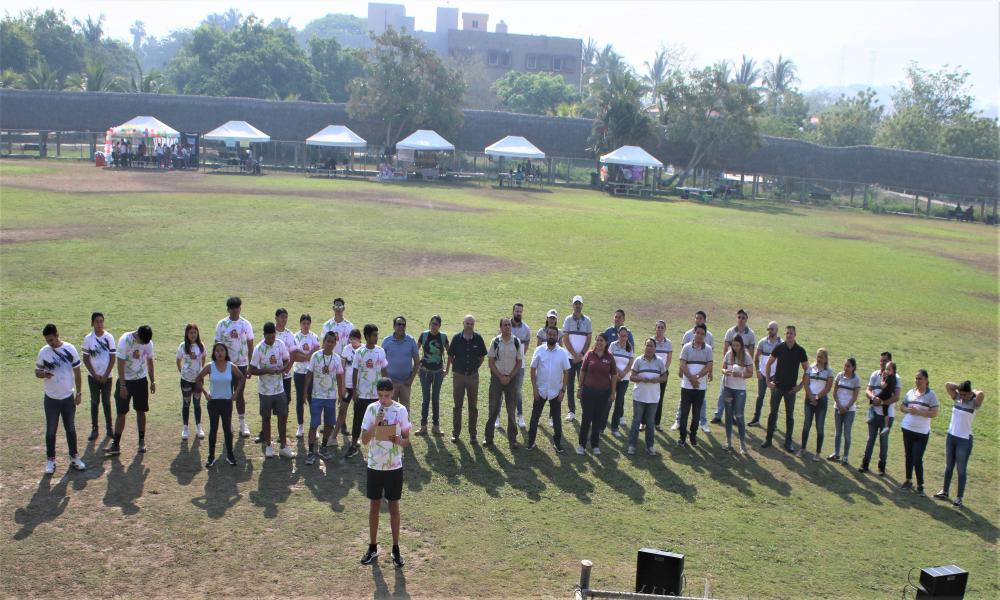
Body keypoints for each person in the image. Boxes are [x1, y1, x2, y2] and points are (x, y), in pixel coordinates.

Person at [359, 378, 411, 568]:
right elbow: (364, 440)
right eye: (380, 396)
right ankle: (373, 547)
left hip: (394, 467)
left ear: (392, 393)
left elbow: (407, 441)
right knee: (374, 506)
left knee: (394, 508)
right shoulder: (371, 409)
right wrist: (376, 424)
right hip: (374, 466)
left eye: (387, 396)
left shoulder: (401, 410)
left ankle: (396, 548)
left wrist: (398, 440)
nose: (383, 399)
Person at [35, 324, 87, 474]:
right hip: (51, 398)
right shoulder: (43, 352)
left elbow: (77, 373)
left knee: (70, 428)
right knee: (51, 430)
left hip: (67, 398)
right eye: (47, 340)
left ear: (57, 335)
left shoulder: (70, 349)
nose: (49, 343)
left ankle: (74, 457)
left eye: (51, 339)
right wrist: (43, 373)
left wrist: (78, 393)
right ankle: (50, 460)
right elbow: (37, 371)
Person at [106, 325, 155, 456]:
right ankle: (116, 444)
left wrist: (152, 381)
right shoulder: (124, 340)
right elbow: (120, 364)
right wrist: (122, 386)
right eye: (142, 342)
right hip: (126, 380)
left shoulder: (148, 342)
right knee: (121, 413)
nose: (144, 344)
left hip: (141, 380)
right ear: (137, 335)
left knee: (141, 411)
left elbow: (150, 361)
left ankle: (141, 441)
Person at [935, 380, 985, 507]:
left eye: (964, 395)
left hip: (964, 440)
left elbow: (981, 394)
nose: (962, 397)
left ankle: (959, 498)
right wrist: (960, 389)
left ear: (969, 394)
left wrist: (971, 392)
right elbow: (947, 385)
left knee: (961, 469)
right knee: (948, 466)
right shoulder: (956, 397)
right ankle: (944, 492)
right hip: (951, 436)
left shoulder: (974, 403)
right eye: (960, 394)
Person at [195, 343, 245, 467]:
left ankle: (230, 455)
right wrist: (205, 393)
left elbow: (242, 378)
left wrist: (236, 393)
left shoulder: (231, 366)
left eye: (222, 350)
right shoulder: (210, 366)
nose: (219, 353)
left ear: (226, 352)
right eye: (217, 351)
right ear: (214, 353)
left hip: (227, 402)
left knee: (227, 429)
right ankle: (211, 457)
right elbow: (198, 378)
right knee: (213, 429)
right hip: (213, 403)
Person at [248, 322, 293, 459]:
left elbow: (286, 360)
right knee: (266, 418)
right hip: (265, 391)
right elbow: (252, 370)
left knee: (282, 417)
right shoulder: (259, 348)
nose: (271, 340)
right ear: (264, 336)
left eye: (272, 337)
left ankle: (284, 446)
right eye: (268, 338)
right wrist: (267, 370)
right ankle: (268, 446)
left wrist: (283, 369)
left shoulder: (280, 344)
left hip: (279, 389)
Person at [761, 326, 809, 452]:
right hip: (777, 387)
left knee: (790, 416)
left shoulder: (800, 351)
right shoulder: (779, 347)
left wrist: (799, 386)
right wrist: (767, 381)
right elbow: (768, 364)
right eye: (787, 333)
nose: (789, 335)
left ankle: (788, 443)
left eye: (791, 333)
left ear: (795, 335)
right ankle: (768, 439)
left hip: (790, 390)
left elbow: (807, 370)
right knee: (773, 414)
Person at [346, 325, 388, 459]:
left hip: (377, 394)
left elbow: (384, 370)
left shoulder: (380, 351)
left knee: (381, 420)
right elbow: (355, 372)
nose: (377, 337)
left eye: (377, 334)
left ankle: (384, 447)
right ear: (367, 336)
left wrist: (387, 388)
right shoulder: (359, 352)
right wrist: (354, 391)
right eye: (374, 335)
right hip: (362, 393)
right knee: (358, 419)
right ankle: (353, 445)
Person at [215, 296, 254, 438]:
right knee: (226, 395)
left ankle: (243, 424)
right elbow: (217, 347)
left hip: (242, 365)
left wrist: (251, 365)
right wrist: (217, 365)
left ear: (240, 308)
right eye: (232, 308)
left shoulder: (246, 324)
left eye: (237, 308)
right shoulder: (221, 324)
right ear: (228, 309)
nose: (235, 311)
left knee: (239, 395)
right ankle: (228, 423)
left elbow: (250, 346)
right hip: (225, 366)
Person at [527, 325, 571, 452]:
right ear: (546, 335)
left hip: (556, 392)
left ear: (557, 336)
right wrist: (535, 389)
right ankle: (530, 442)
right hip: (540, 391)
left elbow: (566, 372)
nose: (551, 336)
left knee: (557, 420)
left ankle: (557, 444)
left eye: (554, 335)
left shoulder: (562, 352)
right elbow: (532, 370)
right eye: (549, 334)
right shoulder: (539, 350)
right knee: (535, 418)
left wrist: (563, 391)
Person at [304, 331, 345, 465]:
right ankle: (310, 452)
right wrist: (305, 392)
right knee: (314, 424)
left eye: (333, 342)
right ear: (324, 342)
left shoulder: (337, 358)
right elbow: (309, 373)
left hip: (330, 397)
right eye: (328, 341)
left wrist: (340, 394)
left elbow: (339, 376)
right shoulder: (316, 356)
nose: (330, 344)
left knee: (329, 424)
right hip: (316, 396)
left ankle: (323, 447)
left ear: (335, 344)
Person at [671, 310, 714, 432]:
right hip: (687, 376)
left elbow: (710, 359)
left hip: (702, 378)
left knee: (701, 400)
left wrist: (710, 372)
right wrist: (684, 373)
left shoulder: (709, 336)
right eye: (697, 318)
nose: (698, 320)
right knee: (683, 400)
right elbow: (683, 357)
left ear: (704, 320)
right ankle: (678, 421)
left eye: (701, 318)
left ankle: (703, 421)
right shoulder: (687, 334)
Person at [711, 309, 756, 426]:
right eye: (739, 317)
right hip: (730, 365)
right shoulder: (730, 331)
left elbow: (751, 352)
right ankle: (718, 415)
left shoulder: (750, 334)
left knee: (737, 393)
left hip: (742, 367)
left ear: (746, 319)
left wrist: (745, 368)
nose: (741, 319)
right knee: (723, 392)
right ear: (737, 318)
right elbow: (726, 348)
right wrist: (727, 364)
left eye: (743, 317)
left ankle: (734, 417)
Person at [898, 369, 939, 496]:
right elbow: (901, 407)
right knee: (908, 456)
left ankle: (920, 485)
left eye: (920, 378)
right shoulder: (911, 392)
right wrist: (908, 410)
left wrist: (919, 412)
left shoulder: (931, 395)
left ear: (926, 380)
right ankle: (908, 480)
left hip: (921, 432)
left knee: (917, 458)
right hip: (907, 428)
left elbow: (934, 413)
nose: (917, 381)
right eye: (916, 378)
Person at [447, 315, 487, 443]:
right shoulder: (456, 338)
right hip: (458, 376)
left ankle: (473, 434)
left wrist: (474, 368)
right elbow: (451, 356)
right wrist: (459, 367)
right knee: (457, 405)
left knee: (473, 406)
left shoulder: (478, 338)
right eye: (467, 323)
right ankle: (456, 433)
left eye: (471, 324)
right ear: (463, 323)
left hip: (473, 376)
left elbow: (481, 357)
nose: (469, 325)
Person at [859, 352, 900, 475]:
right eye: (881, 360)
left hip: (887, 415)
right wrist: (873, 398)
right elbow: (868, 390)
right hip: (874, 413)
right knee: (870, 439)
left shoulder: (896, 378)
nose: (882, 363)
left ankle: (881, 468)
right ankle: (865, 464)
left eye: (885, 361)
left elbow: (897, 397)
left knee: (883, 441)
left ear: (890, 362)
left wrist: (882, 402)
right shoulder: (875, 374)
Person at [576, 333, 617, 454]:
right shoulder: (589, 354)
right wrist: (579, 388)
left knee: (598, 420)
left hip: (603, 394)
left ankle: (595, 445)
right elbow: (582, 372)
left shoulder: (610, 357)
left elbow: (614, 375)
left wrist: (613, 392)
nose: (599, 342)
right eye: (597, 340)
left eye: (601, 340)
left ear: (606, 343)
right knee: (586, 418)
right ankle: (581, 445)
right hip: (588, 392)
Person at [485, 318, 522, 448]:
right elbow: (490, 362)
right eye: (505, 325)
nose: (507, 327)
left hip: (511, 380)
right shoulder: (495, 342)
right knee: (493, 408)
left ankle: (513, 439)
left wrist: (510, 377)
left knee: (511, 409)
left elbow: (519, 363)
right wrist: (500, 377)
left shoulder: (516, 342)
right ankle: (488, 438)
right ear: (500, 327)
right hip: (496, 379)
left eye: (509, 325)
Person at [627, 339, 668, 456]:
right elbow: (632, 377)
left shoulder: (660, 361)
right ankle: (632, 445)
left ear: (655, 348)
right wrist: (640, 378)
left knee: (650, 423)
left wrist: (657, 380)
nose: (649, 348)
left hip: (653, 398)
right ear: (644, 347)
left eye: (651, 346)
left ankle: (650, 446)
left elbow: (665, 377)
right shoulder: (638, 360)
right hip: (639, 397)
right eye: (647, 346)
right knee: (636, 421)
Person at [677, 324, 713, 447]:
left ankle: (693, 437)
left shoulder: (708, 349)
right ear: (694, 333)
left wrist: (696, 377)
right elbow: (682, 364)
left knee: (696, 414)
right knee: (684, 413)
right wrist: (692, 379)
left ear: (705, 335)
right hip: (687, 386)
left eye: (702, 334)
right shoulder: (686, 347)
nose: (699, 336)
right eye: (698, 333)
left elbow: (709, 366)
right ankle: (682, 438)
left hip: (700, 387)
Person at [82, 311, 116, 441]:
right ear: (92, 323)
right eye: (97, 321)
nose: (99, 324)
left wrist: (106, 374)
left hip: (107, 377)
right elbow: (85, 358)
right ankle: (94, 429)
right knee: (95, 401)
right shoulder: (88, 339)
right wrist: (95, 374)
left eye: (101, 321)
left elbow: (113, 358)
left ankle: (109, 428)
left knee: (106, 402)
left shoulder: (109, 338)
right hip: (93, 377)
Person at [274, 308, 306, 438]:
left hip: (286, 376)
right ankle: (264, 433)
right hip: (272, 375)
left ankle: (282, 429)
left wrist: (288, 367)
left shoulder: (289, 334)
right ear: (276, 318)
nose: (284, 320)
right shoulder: (272, 332)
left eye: (286, 317)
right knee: (271, 403)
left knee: (285, 401)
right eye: (282, 317)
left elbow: (294, 353)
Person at [719, 334, 753, 454]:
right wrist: (725, 371)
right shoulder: (729, 354)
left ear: (741, 345)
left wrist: (741, 375)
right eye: (733, 345)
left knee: (739, 416)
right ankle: (728, 442)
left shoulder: (746, 356)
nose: (735, 347)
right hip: (728, 388)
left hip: (740, 391)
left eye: (737, 345)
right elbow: (722, 368)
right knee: (728, 416)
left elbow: (750, 373)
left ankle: (742, 444)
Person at [415, 316, 449, 436]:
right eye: (432, 323)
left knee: (435, 399)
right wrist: (417, 367)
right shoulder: (424, 335)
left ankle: (436, 426)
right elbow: (415, 350)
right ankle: (423, 426)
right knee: (425, 399)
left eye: (436, 324)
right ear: (429, 324)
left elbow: (450, 353)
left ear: (439, 326)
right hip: (425, 372)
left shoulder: (443, 337)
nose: (434, 326)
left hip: (438, 372)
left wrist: (447, 369)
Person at [561, 296, 592, 423]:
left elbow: (589, 339)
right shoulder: (568, 319)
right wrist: (574, 354)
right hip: (570, 358)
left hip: (583, 359)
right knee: (570, 385)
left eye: (579, 304)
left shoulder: (587, 321)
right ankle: (571, 411)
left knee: (583, 385)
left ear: (582, 305)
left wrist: (582, 354)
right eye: (575, 304)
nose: (577, 306)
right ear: (573, 305)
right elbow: (565, 339)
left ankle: (585, 410)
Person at [799, 348, 833, 460]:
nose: (819, 359)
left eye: (821, 357)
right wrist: (811, 396)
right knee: (806, 425)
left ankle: (818, 453)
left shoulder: (829, 371)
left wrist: (817, 397)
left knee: (819, 427)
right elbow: (806, 383)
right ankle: (802, 448)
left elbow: (828, 388)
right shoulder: (810, 368)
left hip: (821, 401)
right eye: (818, 356)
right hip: (809, 399)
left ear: (825, 359)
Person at [175, 323, 206, 441]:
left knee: (197, 403)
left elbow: (203, 357)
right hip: (186, 380)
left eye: (195, 332)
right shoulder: (183, 346)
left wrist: (201, 371)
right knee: (186, 403)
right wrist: (181, 372)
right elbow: (178, 360)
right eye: (190, 333)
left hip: (198, 380)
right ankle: (185, 428)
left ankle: (199, 427)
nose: (193, 335)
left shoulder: (201, 345)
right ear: (187, 334)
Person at [382, 316, 420, 409]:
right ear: (394, 326)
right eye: (399, 324)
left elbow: (417, 361)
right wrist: (387, 380)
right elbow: (381, 362)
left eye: (403, 324)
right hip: (391, 383)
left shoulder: (411, 340)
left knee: (405, 410)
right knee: (390, 409)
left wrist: (410, 380)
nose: (401, 326)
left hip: (405, 383)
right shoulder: (386, 341)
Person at [828, 357, 861, 465]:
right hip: (838, 407)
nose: (846, 368)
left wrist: (846, 408)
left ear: (853, 367)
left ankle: (845, 456)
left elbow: (854, 397)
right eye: (845, 365)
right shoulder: (839, 375)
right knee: (838, 432)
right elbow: (834, 393)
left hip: (849, 410)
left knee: (847, 434)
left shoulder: (856, 379)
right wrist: (839, 405)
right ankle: (837, 454)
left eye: (848, 366)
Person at [292, 314, 320, 440]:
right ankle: (300, 426)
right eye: (304, 323)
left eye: (308, 323)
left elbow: (317, 352)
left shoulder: (314, 336)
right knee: (299, 399)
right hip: (298, 373)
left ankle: (315, 427)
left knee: (312, 399)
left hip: (311, 372)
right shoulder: (295, 337)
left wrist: (305, 356)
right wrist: (308, 356)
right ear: (300, 324)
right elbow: (294, 355)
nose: (306, 325)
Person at [748, 322, 780, 427]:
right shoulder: (762, 342)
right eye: (768, 329)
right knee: (760, 397)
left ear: (777, 330)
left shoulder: (781, 344)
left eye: (772, 329)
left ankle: (773, 423)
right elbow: (756, 358)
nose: (770, 331)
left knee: (774, 399)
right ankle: (756, 419)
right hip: (762, 374)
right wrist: (757, 371)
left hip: (774, 376)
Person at [335, 328, 364, 443]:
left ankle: (356, 436)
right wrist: (342, 386)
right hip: (347, 385)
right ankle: (342, 426)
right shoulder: (347, 349)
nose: (353, 341)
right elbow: (342, 369)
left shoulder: (364, 349)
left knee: (358, 411)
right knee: (343, 408)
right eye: (351, 339)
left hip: (359, 387)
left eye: (355, 339)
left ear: (360, 339)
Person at [608, 326, 635, 436]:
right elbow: (610, 360)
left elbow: (630, 363)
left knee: (619, 403)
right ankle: (601, 426)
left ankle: (614, 428)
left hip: (624, 379)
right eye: (621, 335)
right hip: (613, 377)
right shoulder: (613, 345)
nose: (623, 338)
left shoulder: (630, 347)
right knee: (608, 401)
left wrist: (624, 373)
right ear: (618, 335)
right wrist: (618, 372)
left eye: (625, 336)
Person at [509, 303, 532, 428]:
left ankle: (520, 416)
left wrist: (521, 356)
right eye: (517, 311)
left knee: (517, 390)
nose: (518, 313)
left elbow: (527, 343)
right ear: (513, 311)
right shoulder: (507, 326)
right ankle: (497, 417)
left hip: (520, 365)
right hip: (506, 364)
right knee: (502, 390)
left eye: (520, 311)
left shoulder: (526, 329)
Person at [652, 320, 673, 432]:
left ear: (665, 329)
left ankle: (657, 422)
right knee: (648, 396)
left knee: (659, 398)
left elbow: (669, 359)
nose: (660, 329)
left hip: (663, 373)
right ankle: (643, 423)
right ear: (655, 328)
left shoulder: (668, 343)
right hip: (651, 372)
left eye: (662, 328)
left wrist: (663, 371)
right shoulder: (651, 341)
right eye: (658, 327)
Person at [874, 362, 897, 437]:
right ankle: (886, 426)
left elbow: (883, 386)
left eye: (888, 369)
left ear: (893, 370)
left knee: (873, 399)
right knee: (885, 411)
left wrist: (882, 378)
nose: (886, 371)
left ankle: (870, 415)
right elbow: (893, 388)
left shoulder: (889, 377)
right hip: (889, 395)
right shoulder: (894, 377)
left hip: (884, 394)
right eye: (886, 369)